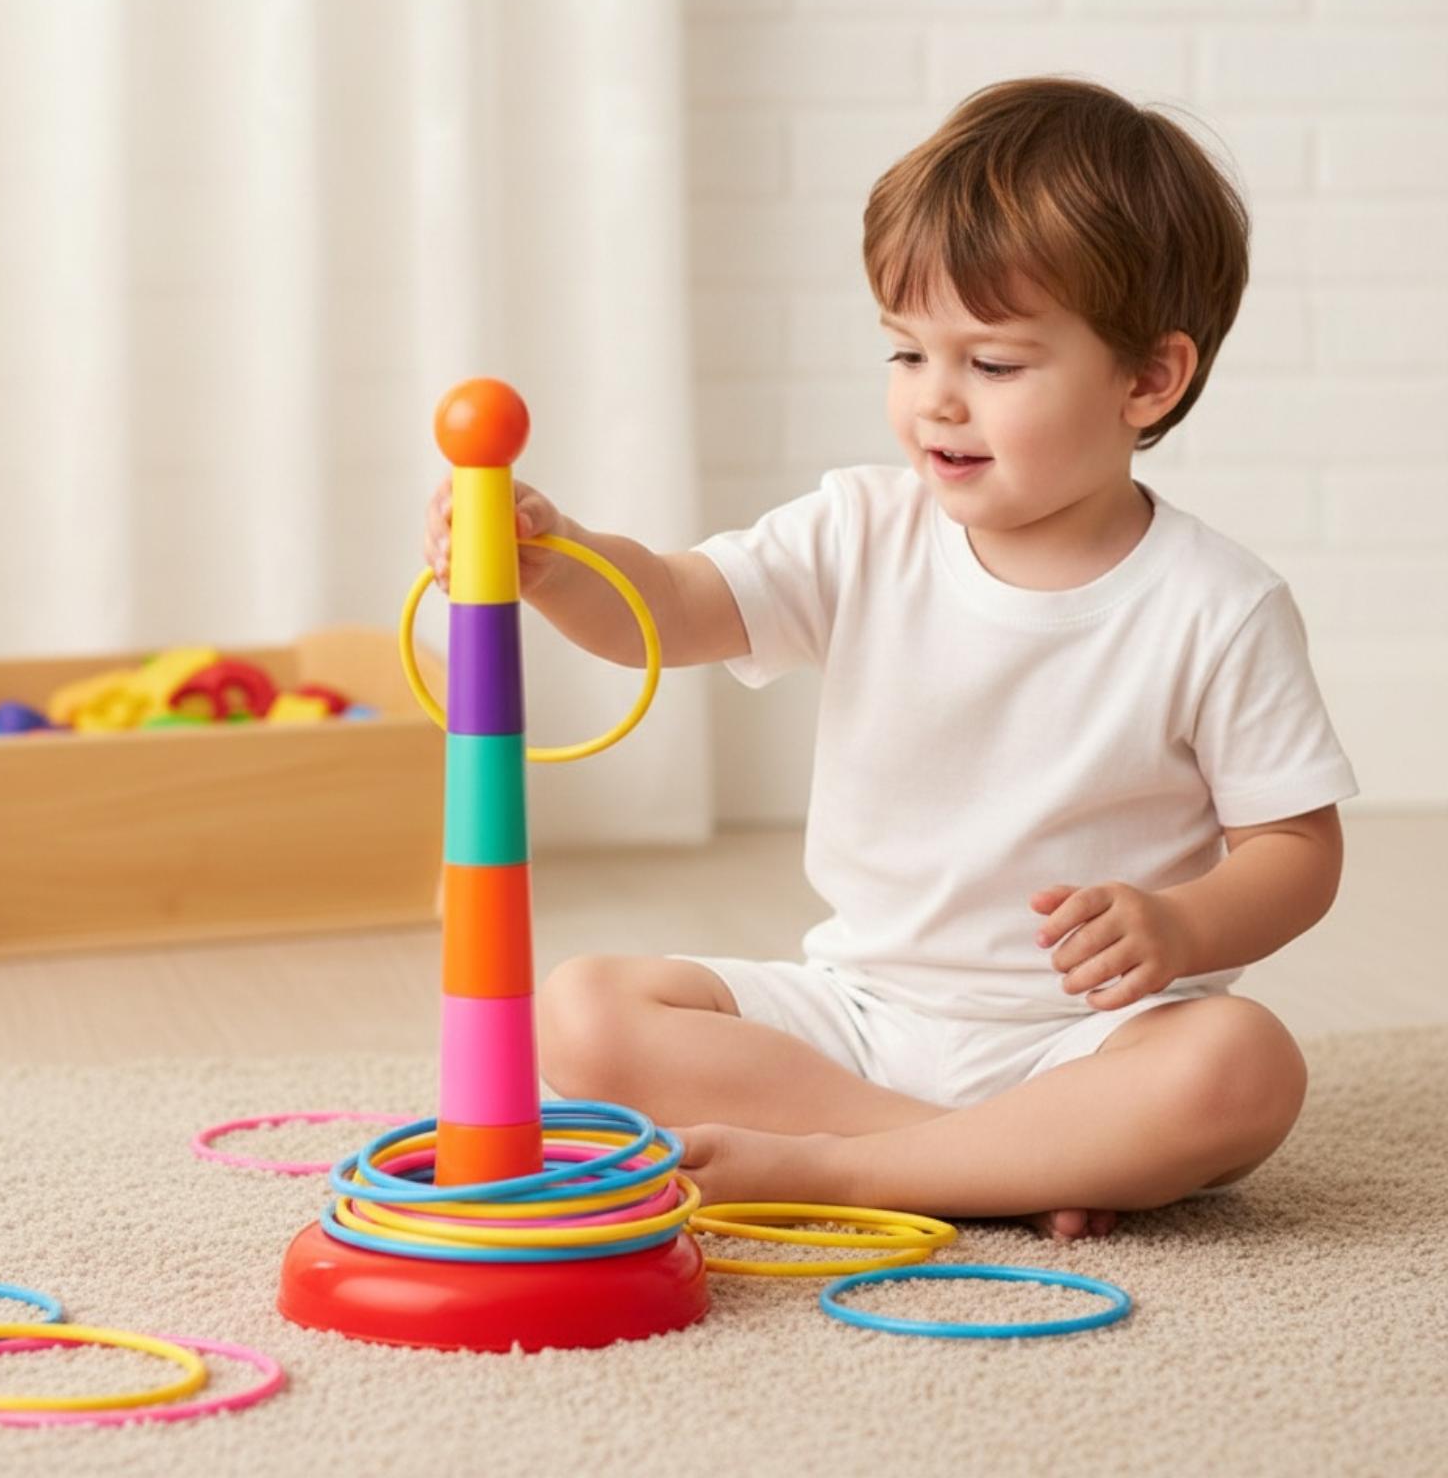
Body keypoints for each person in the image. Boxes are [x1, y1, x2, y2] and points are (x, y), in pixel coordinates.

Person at [422, 76, 1358, 1239]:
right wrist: (555, 558)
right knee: (581, 1009)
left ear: (1146, 379)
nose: (935, 403)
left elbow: (1294, 850)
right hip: (864, 1016)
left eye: (994, 365)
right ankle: (985, 1160)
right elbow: (665, 607)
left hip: (1088, 1041)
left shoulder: (1217, 605)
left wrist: (1182, 928)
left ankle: (853, 1171)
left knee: (1242, 1065)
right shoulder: (859, 529)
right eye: (907, 353)